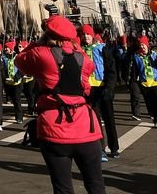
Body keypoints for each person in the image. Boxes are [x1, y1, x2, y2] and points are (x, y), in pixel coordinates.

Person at [14, 15, 105, 194]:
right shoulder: (82, 58)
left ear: (48, 34)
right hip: (85, 127)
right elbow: (87, 80)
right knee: (96, 184)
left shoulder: (41, 54)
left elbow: (20, 60)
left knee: (62, 187)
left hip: (55, 128)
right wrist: (73, 45)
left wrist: (38, 42)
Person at [80, 26, 119, 160]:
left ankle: (114, 148)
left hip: (103, 88)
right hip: (88, 89)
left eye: (88, 35)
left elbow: (111, 69)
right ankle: (101, 149)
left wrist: (109, 88)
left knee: (109, 119)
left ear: (92, 35)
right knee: (95, 121)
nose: (86, 37)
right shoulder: (80, 51)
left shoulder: (102, 49)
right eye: (84, 35)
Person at [130, 38, 157, 128]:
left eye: (143, 45)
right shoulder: (136, 56)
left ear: (147, 45)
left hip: (156, 82)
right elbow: (134, 71)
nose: (142, 47)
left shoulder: (153, 54)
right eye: (140, 45)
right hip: (145, 83)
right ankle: (156, 120)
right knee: (150, 104)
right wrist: (133, 82)